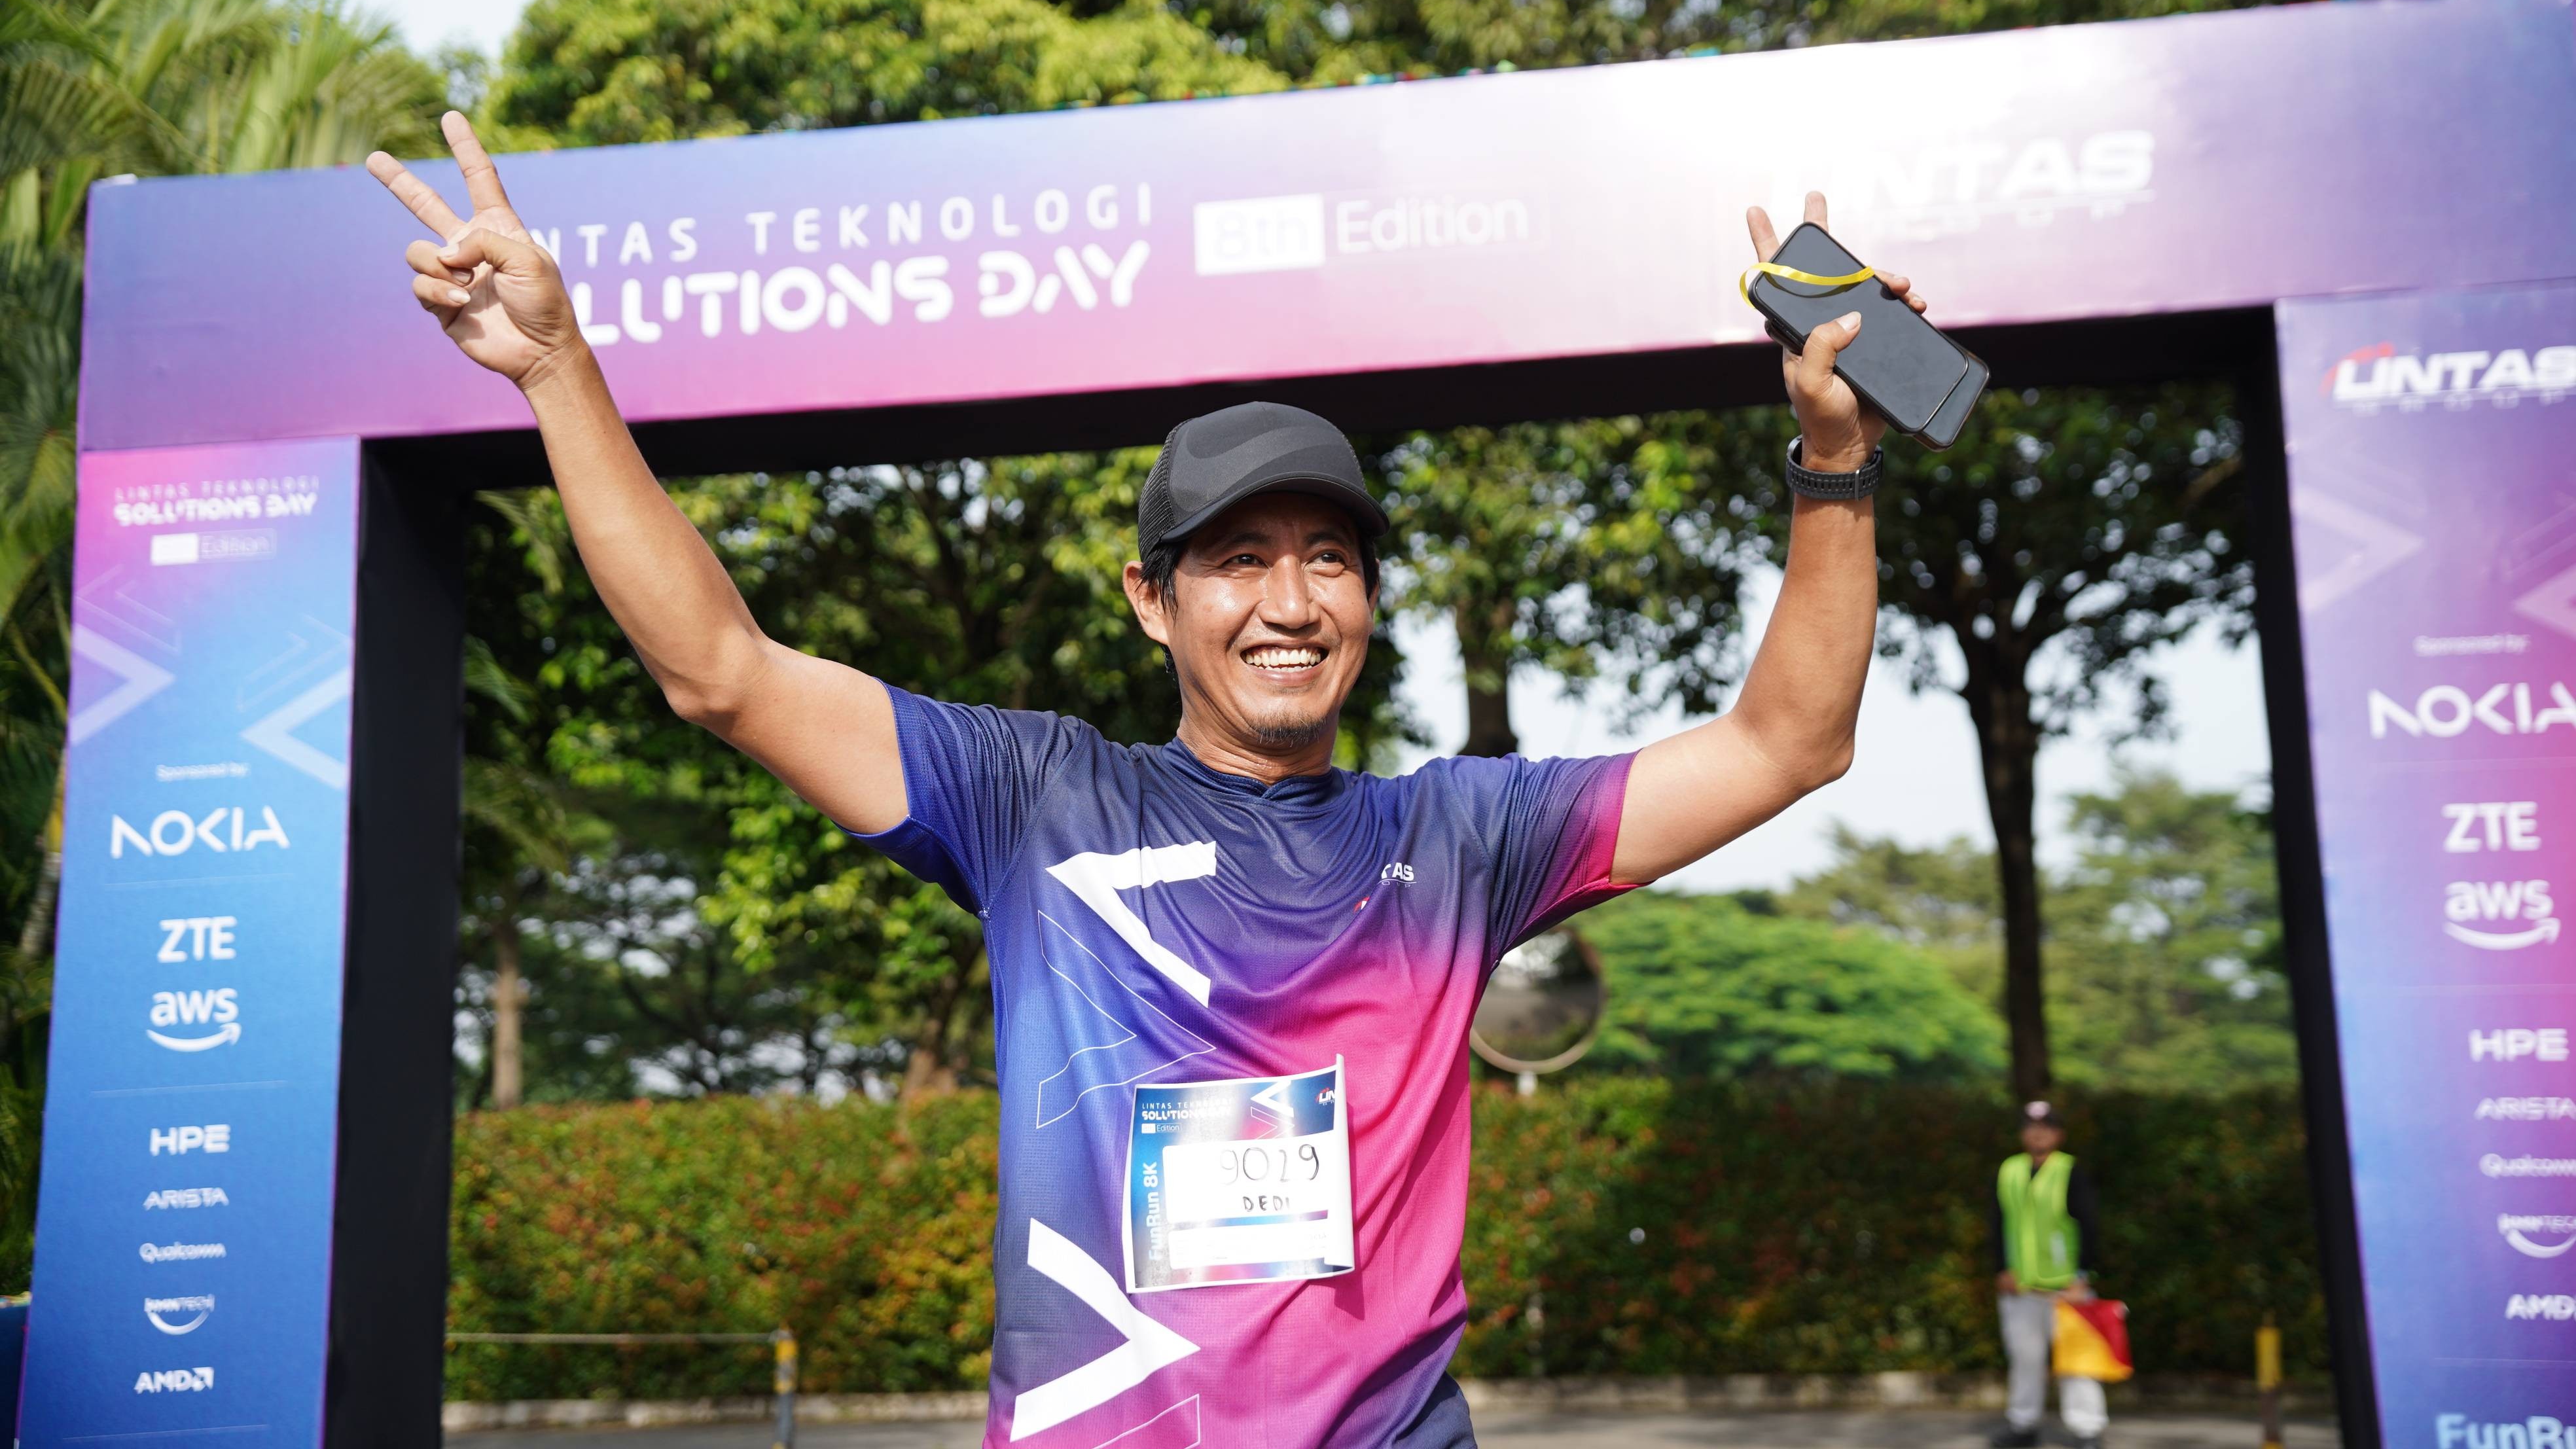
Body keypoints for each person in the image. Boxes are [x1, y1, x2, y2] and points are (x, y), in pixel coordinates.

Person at [365, 114, 1935, 1449]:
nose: (1290, 601)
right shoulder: (1030, 797)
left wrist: (1835, 461)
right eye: (1238, 559)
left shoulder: (1465, 835)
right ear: (1151, 599)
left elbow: (1785, 741)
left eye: (1329, 557)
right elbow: (721, 667)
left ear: (1369, 598)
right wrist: (558, 370)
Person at [1990, 1100, 2108, 1449]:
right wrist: (2001, 1269)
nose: (2038, 1134)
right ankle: (2023, 1423)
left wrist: (2082, 1275)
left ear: (2059, 1134)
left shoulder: (2070, 1171)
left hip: (2066, 1287)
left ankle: (2087, 1429)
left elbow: (2089, 1226)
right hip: (2022, 1286)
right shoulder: (2009, 1170)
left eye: (2046, 1127)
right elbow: (1997, 1224)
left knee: (2077, 1362)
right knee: (2024, 1360)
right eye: (2031, 1127)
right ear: (2022, 1134)